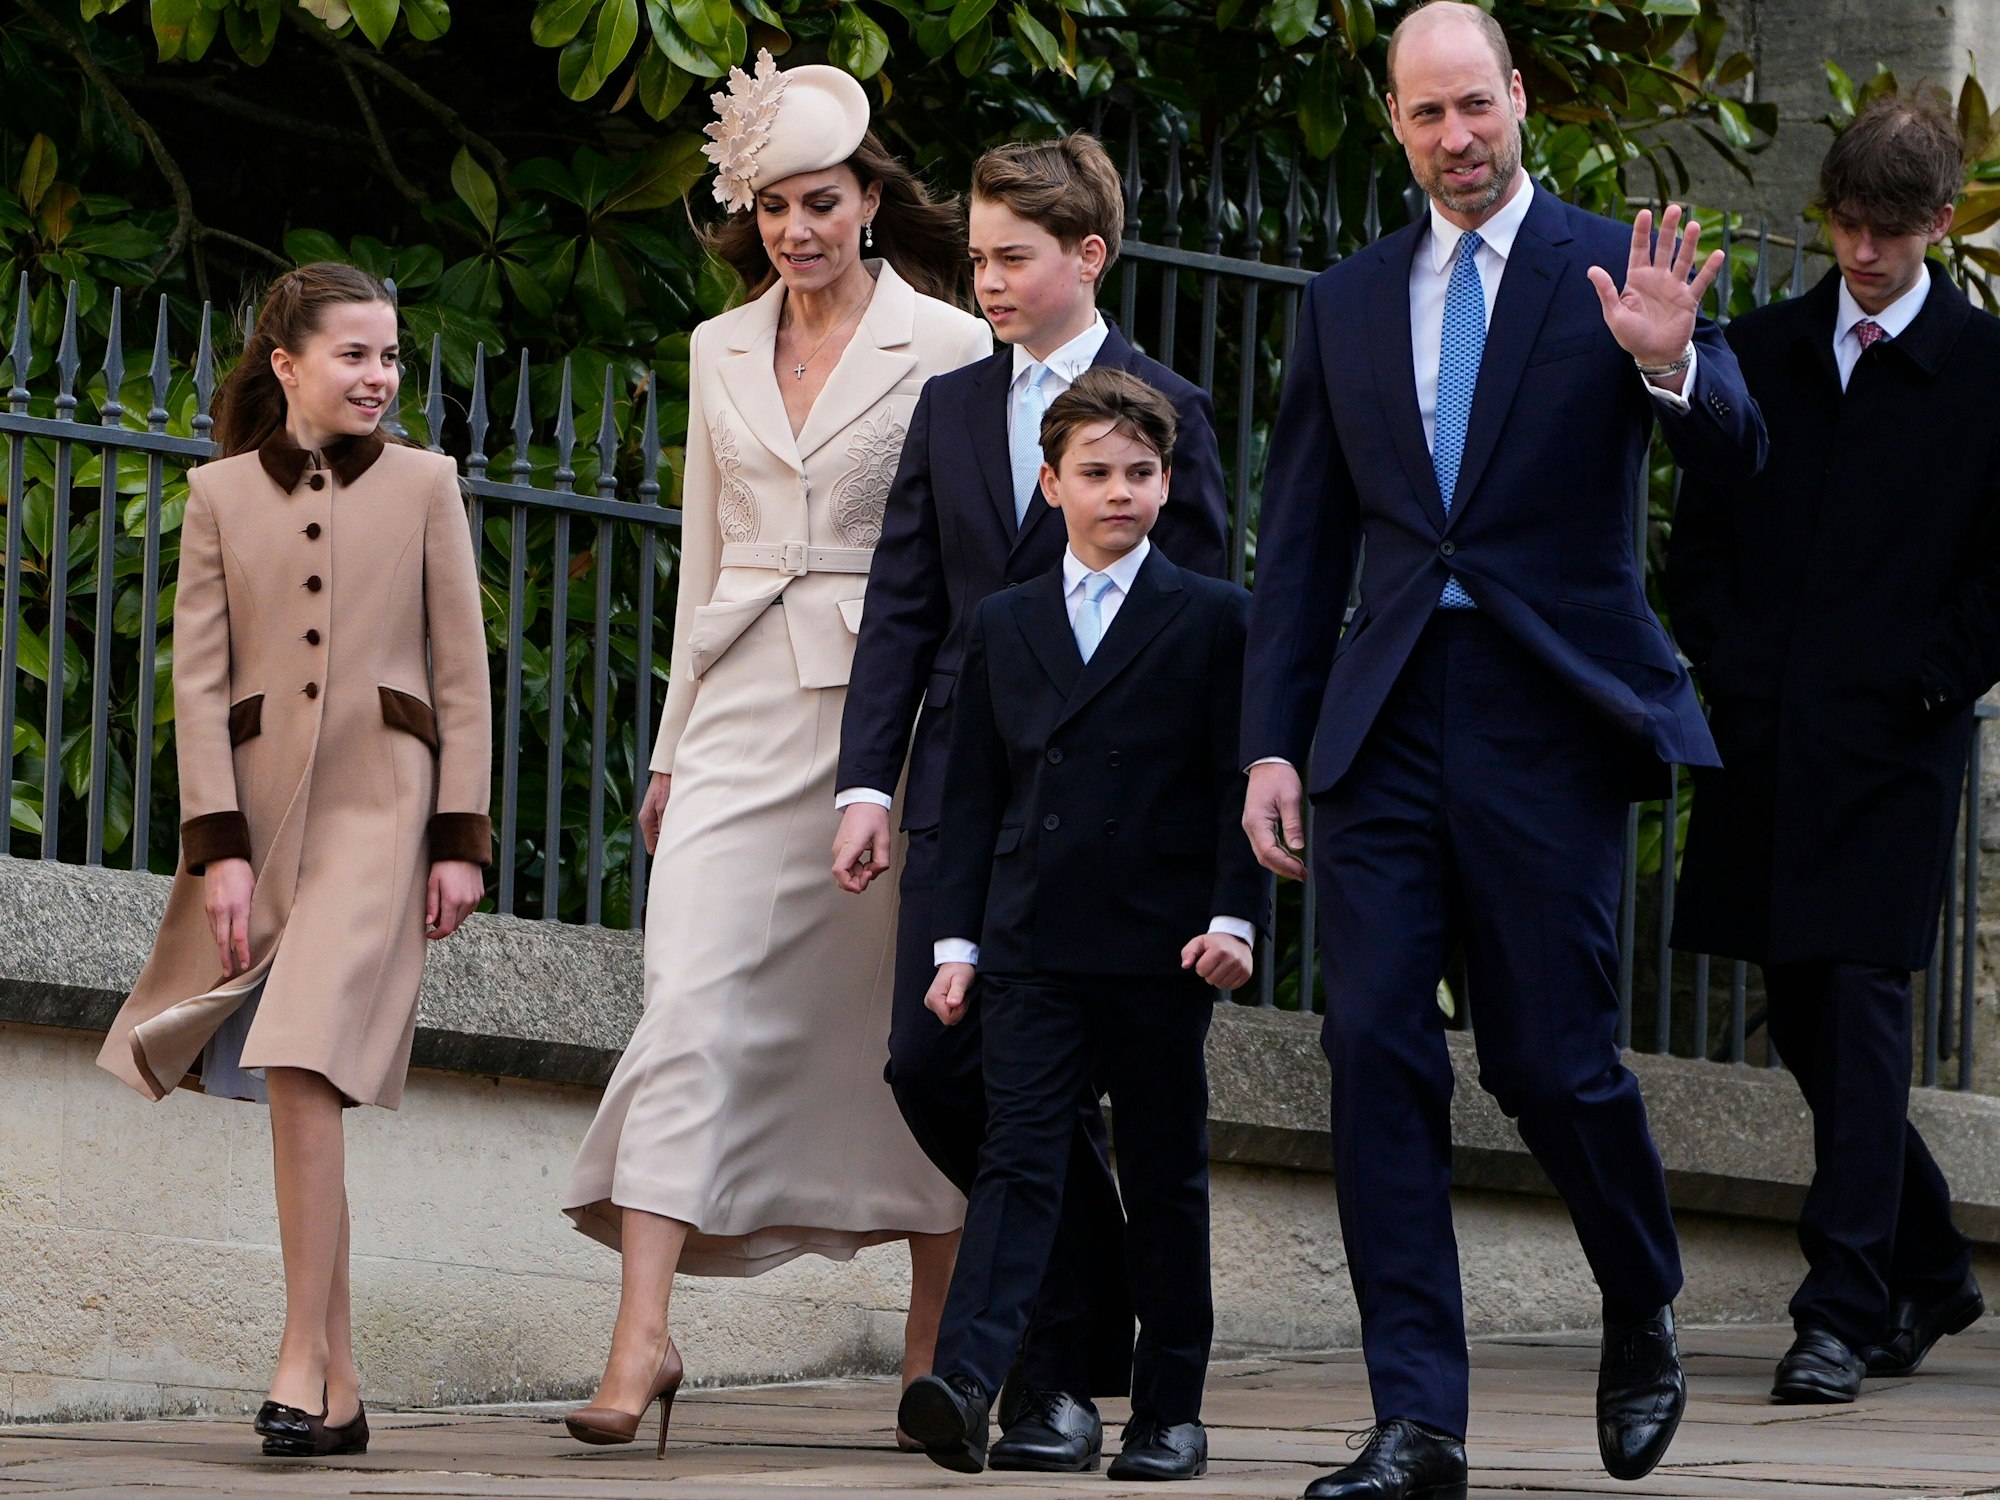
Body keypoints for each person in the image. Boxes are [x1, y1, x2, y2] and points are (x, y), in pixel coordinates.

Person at [1238, 4, 1767, 1496]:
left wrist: (1672, 370)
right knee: (1373, 1048)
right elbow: (1303, 552)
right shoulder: (1343, 302)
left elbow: (1746, 446)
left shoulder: (1611, 260)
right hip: (1387, 715)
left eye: (1477, 106)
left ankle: (1640, 1292)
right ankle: (1421, 1422)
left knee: (1550, 1060)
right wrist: (1270, 748)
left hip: (1550, 714)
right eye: (1426, 117)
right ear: (1395, 123)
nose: (1457, 140)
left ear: (1520, 99)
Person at [558, 52, 989, 1456]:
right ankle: (643, 1334)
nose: (796, 230)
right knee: (684, 996)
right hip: (742, 710)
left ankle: (938, 1326)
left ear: (871, 199)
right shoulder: (714, 348)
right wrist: (673, 747)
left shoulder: (953, 346)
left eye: (821, 202)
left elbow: (975, 556)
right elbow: (703, 561)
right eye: (773, 208)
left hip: (900, 721)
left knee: (914, 1026)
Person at [831, 132, 1229, 1472]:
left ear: (1087, 257)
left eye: (1011, 258)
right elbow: (902, 607)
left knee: (1042, 1114)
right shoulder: (950, 405)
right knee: (929, 1070)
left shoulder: (1166, 413)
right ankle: (1090, 1293)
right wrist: (865, 782)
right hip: (964, 801)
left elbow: (1204, 649)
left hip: (1119, 846)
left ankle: (1053, 1383)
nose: (985, 282)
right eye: (980, 257)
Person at [97, 263, 492, 1458]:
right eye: (354, 356)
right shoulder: (218, 495)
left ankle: (295, 1354)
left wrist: (459, 838)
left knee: (303, 1054)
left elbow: (464, 674)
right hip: (266, 822)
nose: (378, 378)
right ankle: (343, 1388)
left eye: (389, 358)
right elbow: (200, 681)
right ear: (287, 365)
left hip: (386, 806)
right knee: (296, 1082)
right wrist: (216, 849)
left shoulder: (428, 483)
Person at [1666, 94, 1998, 1405]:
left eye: (1888, 232)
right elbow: (1701, 536)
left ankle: (1840, 1309)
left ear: (1936, 225)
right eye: (1847, 228)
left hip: (1895, 750)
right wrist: (1737, 678)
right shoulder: (1762, 345)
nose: (1863, 255)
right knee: (1800, 1014)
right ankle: (1930, 1266)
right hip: (1766, 741)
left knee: (1860, 1012)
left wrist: (1923, 686)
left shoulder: (1985, 373)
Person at [896, 368, 1268, 1481]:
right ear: (1049, 483)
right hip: (1028, 938)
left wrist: (1234, 921)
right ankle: (978, 1384)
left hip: (1160, 944)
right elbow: (969, 799)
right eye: (1095, 472)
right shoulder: (1003, 622)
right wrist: (953, 947)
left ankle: (1169, 1409)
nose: (1119, 492)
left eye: (1140, 474)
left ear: (1167, 485)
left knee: (1161, 1170)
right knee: (1017, 1160)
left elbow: (1233, 788)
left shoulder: (1215, 617)